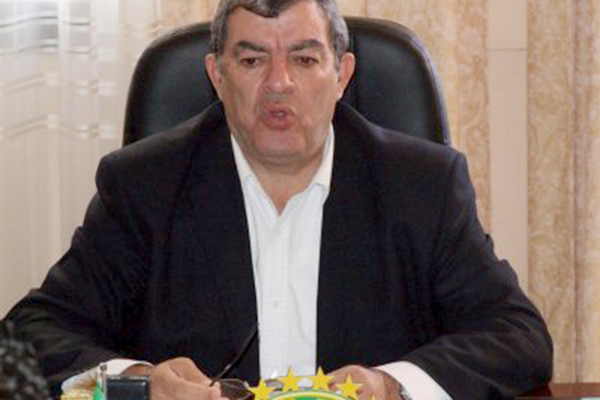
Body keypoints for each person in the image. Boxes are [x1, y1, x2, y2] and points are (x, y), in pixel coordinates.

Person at [4, 0, 553, 399]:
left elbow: (516, 335)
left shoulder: (420, 185)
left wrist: (391, 385)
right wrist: (139, 382)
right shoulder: (145, 185)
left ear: (342, 74)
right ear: (217, 75)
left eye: (305, 59)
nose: (279, 83)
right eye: (252, 61)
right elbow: (28, 336)